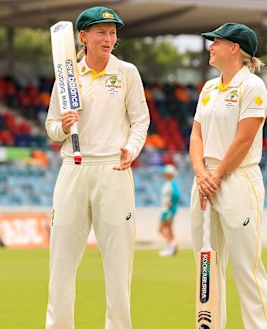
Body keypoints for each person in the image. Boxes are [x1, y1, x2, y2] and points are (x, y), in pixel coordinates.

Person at [44, 6, 150, 329]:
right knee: (61, 262)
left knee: (118, 266)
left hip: (114, 170)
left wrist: (130, 150)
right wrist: (63, 126)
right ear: (83, 36)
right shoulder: (67, 75)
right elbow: (50, 126)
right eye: (101, 32)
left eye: (113, 32)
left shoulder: (127, 73)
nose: (108, 38)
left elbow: (141, 121)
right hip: (73, 169)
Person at [189, 23, 267, 329]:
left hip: (237, 179)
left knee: (246, 268)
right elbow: (196, 135)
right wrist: (201, 173)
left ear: (235, 48)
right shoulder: (209, 88)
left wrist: (217, 175)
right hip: (204, 181)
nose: (210, 46)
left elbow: (243, 140)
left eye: (216, 42)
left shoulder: (253, 87)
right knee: (207, 266)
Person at [158, 164, 180, 257]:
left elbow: (176, 195)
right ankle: (172, 248)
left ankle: (172, 245)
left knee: (161, 228)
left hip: (168, 209)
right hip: (168, 208)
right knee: (169, 228)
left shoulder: (171, 183)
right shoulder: (169, 183)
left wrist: (171, 203)